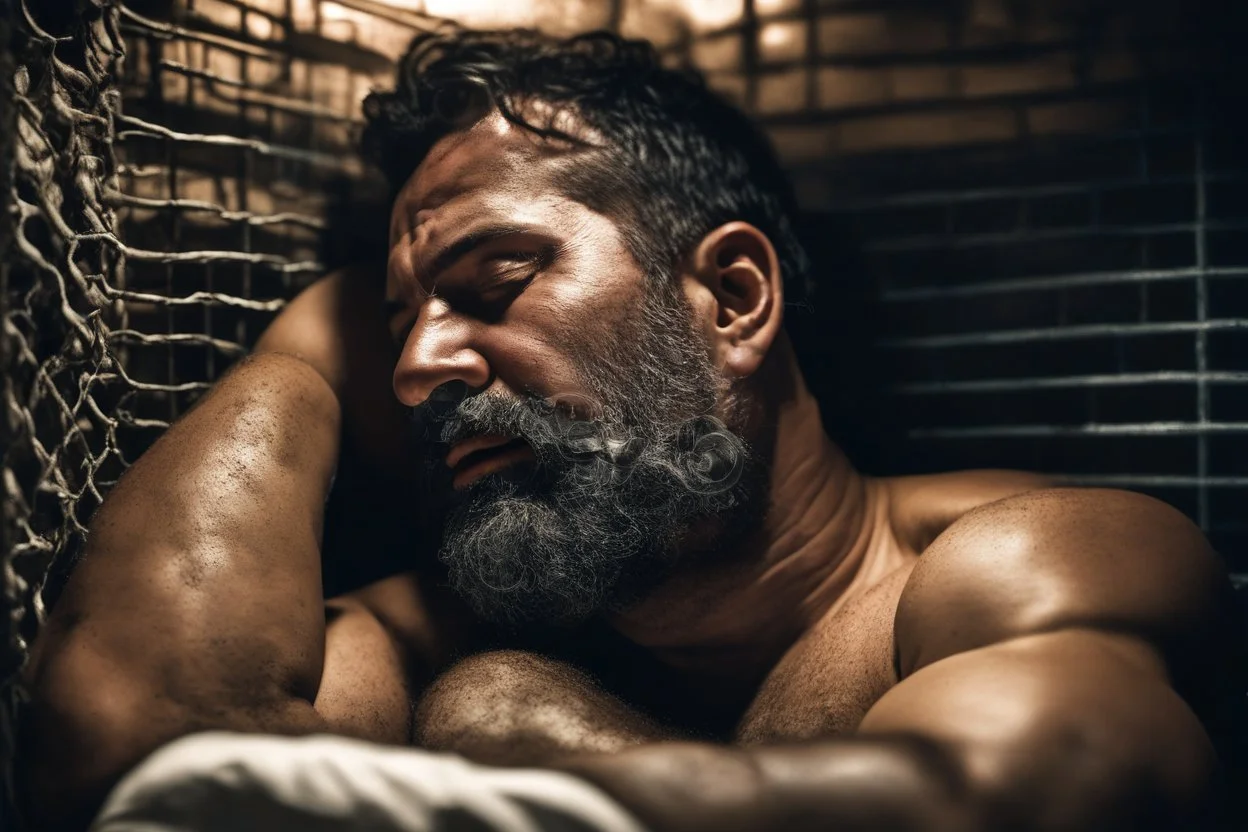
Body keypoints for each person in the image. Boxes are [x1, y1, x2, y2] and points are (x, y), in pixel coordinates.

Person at [18, 27, 1243, 832]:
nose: (416, 369)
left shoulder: (1023, 560)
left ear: (731, 298)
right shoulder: (451, 617)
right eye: (391, 327)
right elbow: (131, 758)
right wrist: (301, 363)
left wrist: (530, 743)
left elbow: (1014, 799)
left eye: (494, 280)